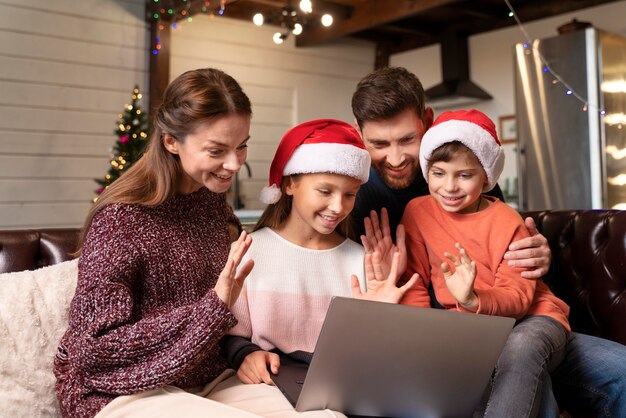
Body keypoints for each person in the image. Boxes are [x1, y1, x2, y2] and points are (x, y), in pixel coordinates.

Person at [352, 66, 626, 417]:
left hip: (517, 318)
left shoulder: (473, 166)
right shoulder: (355, 198)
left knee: (613, 370)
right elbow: (405, 285)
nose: (394, 157)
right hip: (450, 331)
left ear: (428, 122)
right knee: (515, 370)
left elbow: (506, 253)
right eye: (379, 143)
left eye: (407, 139)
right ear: (360, 135)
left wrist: (538, 253)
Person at [54, 68, 285, 418]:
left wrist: (243, 352)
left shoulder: (209, 203)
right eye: (217, 150)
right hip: (120, 391)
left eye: (242, 146)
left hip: (201, 379)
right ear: (171, 141)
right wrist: (214, 307)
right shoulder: (121, 220)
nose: (234, 163)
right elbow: (94, 349)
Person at [220, 119, 415, 415]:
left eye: (349, 195)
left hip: (345, 389)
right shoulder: (249, 252)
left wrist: (381, 316)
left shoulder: (361, 260)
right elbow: (232, 334)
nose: (338, 206)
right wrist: (244, 355)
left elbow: (374, 354)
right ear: (288, 184)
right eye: (325, 191)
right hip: (269, 388)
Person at [400, 109, 570, 418]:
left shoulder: (507, 220)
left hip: (534, 320)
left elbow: (519, 298)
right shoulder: (417, 212)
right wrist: (423, 337)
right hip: (473, 329)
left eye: (464, 175)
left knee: (518, 349)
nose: (449, 187)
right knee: (471, 379)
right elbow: (414, 279)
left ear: (486, 176)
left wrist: (472, 299)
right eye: (439, 173)